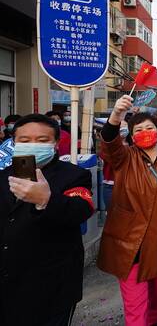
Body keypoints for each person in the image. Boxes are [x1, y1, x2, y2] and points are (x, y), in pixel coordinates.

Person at [98, 96, 157, 326]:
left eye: (150, 128)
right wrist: (115, 116)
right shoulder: (125, 157)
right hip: (128, 241)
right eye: (138, 129)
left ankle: (154, 320)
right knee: (135, 305)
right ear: (130, 136)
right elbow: (109, 144)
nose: (145, 132)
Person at [0, 114, 94, 325]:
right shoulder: (2, 175)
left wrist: (46, 200)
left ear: (56, 143)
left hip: (53, 286)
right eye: (24, 140)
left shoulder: (75, 175)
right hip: (7, 283)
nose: (33, 145)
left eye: (42, 140)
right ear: (13, 143)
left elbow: (82, 209)